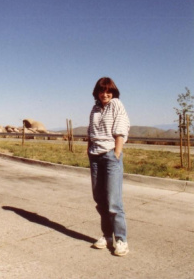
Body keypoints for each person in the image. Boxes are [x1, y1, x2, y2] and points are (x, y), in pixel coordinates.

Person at [87, 77, 130, 256]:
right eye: (101, 91)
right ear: (97, 92)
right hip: (95, 156)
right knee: (100, 199)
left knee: (114, 201)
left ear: (113, 92)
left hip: (111, 155)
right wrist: (89, 150)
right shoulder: (95, 108)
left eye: (108, 91)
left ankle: (121, 240)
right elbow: (91, 131)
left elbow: (121, 129)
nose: (105, 94)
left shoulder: (116, 104)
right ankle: (107, 236)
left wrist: (116, 153)